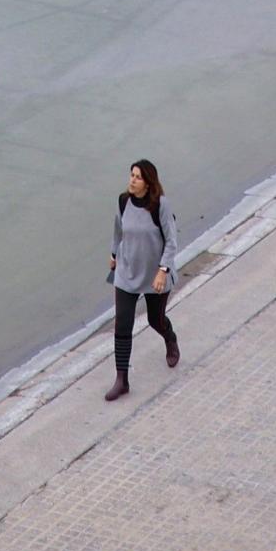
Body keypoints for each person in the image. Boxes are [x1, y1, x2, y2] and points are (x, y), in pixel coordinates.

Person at [104, 158, 178, 403]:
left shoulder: (160, 206)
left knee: (155, 320)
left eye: (137, 177)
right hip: (127, 272)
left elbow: (171, 241)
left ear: (148, 182)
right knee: (122, 325)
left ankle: (170, 338)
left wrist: (162, 270)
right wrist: (114, 254)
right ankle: (122, 380)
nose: (132, 180)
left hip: (154, 274)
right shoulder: (123, 201)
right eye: (131, 175)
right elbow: (118, 230)